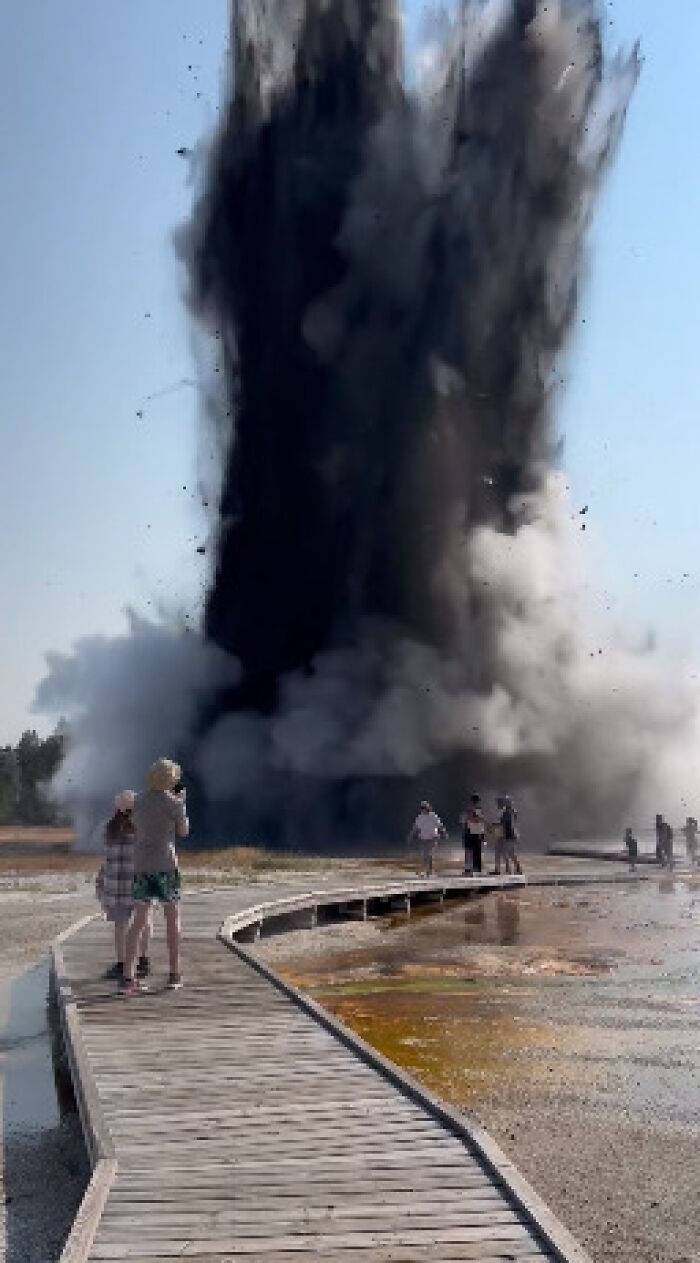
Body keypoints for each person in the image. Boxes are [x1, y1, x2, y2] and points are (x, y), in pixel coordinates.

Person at [121, 758, 189, 996]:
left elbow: (131, 825)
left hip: (141, 865)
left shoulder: (136, 801)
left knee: (139, 920)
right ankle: (174, 974)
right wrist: (182, 805)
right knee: (172, 918)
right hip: (165, 866)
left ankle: (129, 977)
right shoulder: (174, 803)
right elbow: (183, 831)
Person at [96, 791, 152, 980]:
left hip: (116, 884)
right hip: (138, 882)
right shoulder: (143, 827)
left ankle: (122, 963)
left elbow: (107, 859)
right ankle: (142, 961)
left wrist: (101, 883)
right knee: (143, 922)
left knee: (121, 926)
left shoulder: (108, 828)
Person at [407, 801, 447, 876]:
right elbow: (415, 828)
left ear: (427, 808)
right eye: (421, 808)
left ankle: (428, 870)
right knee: (424, 854)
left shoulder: (433, 816)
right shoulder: (419, 817)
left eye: (424, 808)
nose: (423, 809)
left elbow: (440, 825)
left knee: (429, 853)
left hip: (433, 838)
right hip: (423, 838)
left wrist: (444, 832)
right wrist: (411, 836)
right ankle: (426, 870)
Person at [461, 793, 486, 874]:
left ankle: (472, 867)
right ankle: (473, 867)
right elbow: (479, 820)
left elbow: (475, 820)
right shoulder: (477, 809)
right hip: (475, 831)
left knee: (472, 850)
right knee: (474, 850)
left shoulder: (471, 810)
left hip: (473, 831)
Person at [500, 795, 522, 875]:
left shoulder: (508, 813)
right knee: (510, 853)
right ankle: (514, 868)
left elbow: (506, 824)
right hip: (511, 834)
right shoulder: (511, 812)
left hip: (509, 834)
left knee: (507, 853)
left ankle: (510, 869)